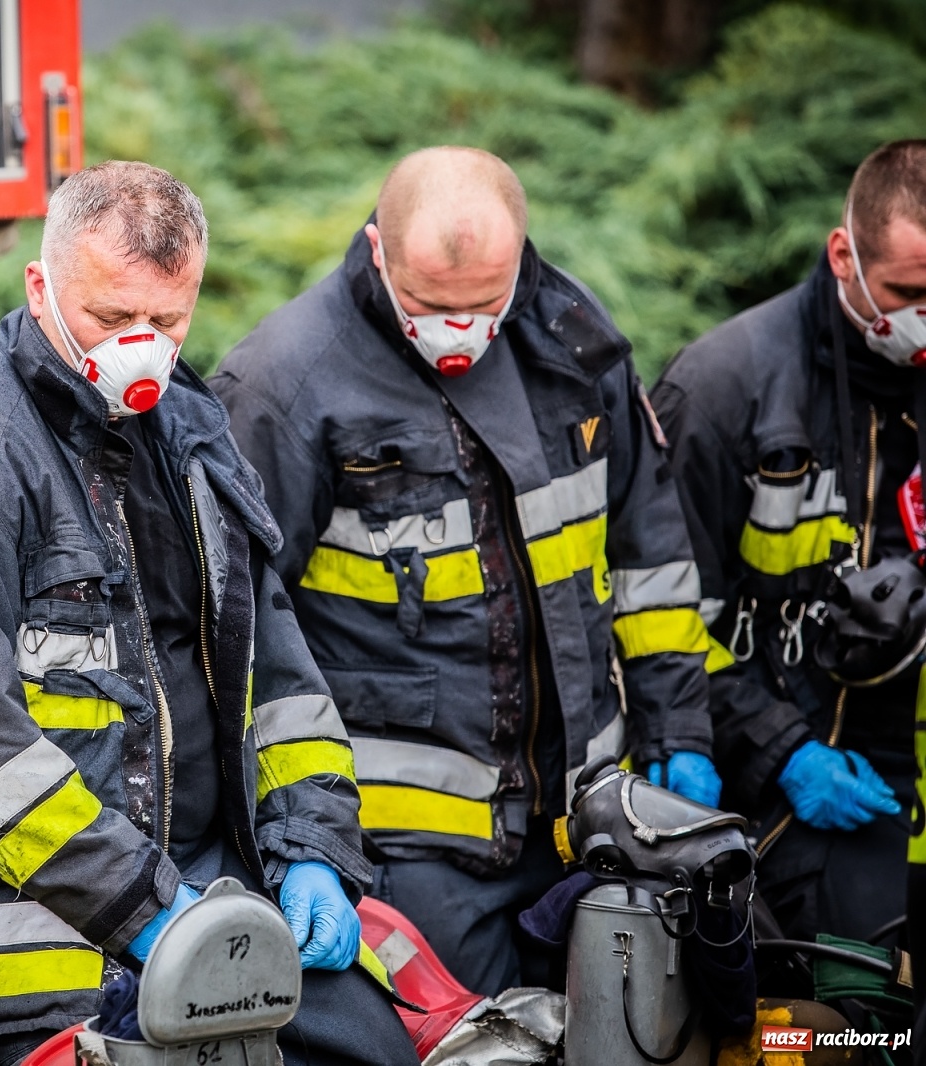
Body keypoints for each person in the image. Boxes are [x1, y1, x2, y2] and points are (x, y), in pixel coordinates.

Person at [0, 161, 418, 1066]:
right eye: (109, 318)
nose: (142, 347)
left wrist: (316, 850)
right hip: (12, 952)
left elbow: (278, 678)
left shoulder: (189, 437)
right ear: (40, 286)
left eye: (168, 320)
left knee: (372, 1045)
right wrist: (144, 910)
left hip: (197, 894)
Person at [211, 146, 716, 996]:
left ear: (520, 258)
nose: (458, 334)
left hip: (583, 823)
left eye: (484, 304)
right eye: (427, 306)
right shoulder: (284, 386)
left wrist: (679, 731)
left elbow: (648, 550)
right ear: (378, 250)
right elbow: (241, 629)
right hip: (406, 857)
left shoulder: (571, 340)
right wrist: (306, 838)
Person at [650, 141, 926, 948]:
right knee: (851, 1018)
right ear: (844, 254)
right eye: (909, 292)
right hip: (779, 789)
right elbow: (657, 617)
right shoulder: (720, 388)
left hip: (901, 775)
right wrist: (784, 752)